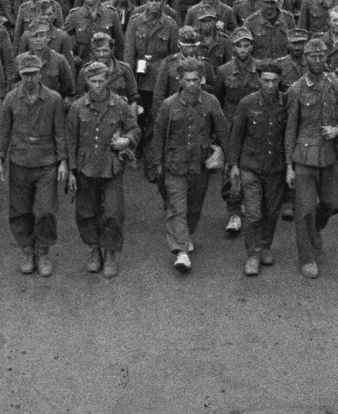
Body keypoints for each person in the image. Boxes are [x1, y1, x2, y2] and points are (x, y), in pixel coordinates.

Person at [149, 57, 227, 273]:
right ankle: (181, 251)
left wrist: (225, 156)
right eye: (187, 80)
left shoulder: (211, 102)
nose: (192, 84)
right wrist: (157, 164)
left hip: (200, 165)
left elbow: (223, 132)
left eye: (196, 79)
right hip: (174, 164)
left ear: (201, 79)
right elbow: (158, 136)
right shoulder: (168, 105)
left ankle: (186, 234)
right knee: (177, 208)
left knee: (194, 207)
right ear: (179, 80)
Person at [284, 37, 338, 278]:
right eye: (312, 57)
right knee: (304, 209)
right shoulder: (295, 90)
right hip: (304, 157)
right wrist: (288, 166)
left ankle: (316, 229)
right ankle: (307, 258)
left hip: (333, 155)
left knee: (332, 204)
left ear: (327, 58)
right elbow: (290, 129)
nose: (317, 60)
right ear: (305, 59)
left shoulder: (337, 85)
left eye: (321, 56)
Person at [65, 59, 139, 278]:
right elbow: (70, 140)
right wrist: (70, 170)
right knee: (87, 212)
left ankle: (111, 254)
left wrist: (126, 141)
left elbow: (134, 129)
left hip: (111, 166)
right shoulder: (78, 107)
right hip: (85, 168)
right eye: (92, 80)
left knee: (113, 213)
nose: (96, 85)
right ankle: (95, 250)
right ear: (86, 81)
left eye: (100, 80)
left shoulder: (120, 105)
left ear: (108, 80)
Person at [0, 55, 69, 276]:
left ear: (40, 73)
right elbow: (3, 131)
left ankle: (43, 251)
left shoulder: (54, 99)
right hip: (19, 161)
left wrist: (63, 161)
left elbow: (60, 132)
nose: (29, 78)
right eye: (25, 74)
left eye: (33, 73)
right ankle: (27, 250)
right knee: (20, 210)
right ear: (20, 74)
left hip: (46, 162)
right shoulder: (11, 99)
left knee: (46, 210)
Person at [226, 58, 288, 275]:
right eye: (265, 81)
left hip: (275, 166)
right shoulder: (247, 103)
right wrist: (233, 165)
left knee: (271, 211)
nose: (270, 85)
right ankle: (252, 254)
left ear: (280, 80)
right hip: (250, 165)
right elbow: (236, 136)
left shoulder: (286, 103)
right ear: (259, 80)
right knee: (253, 213)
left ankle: (265, 246)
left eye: (273, 81)